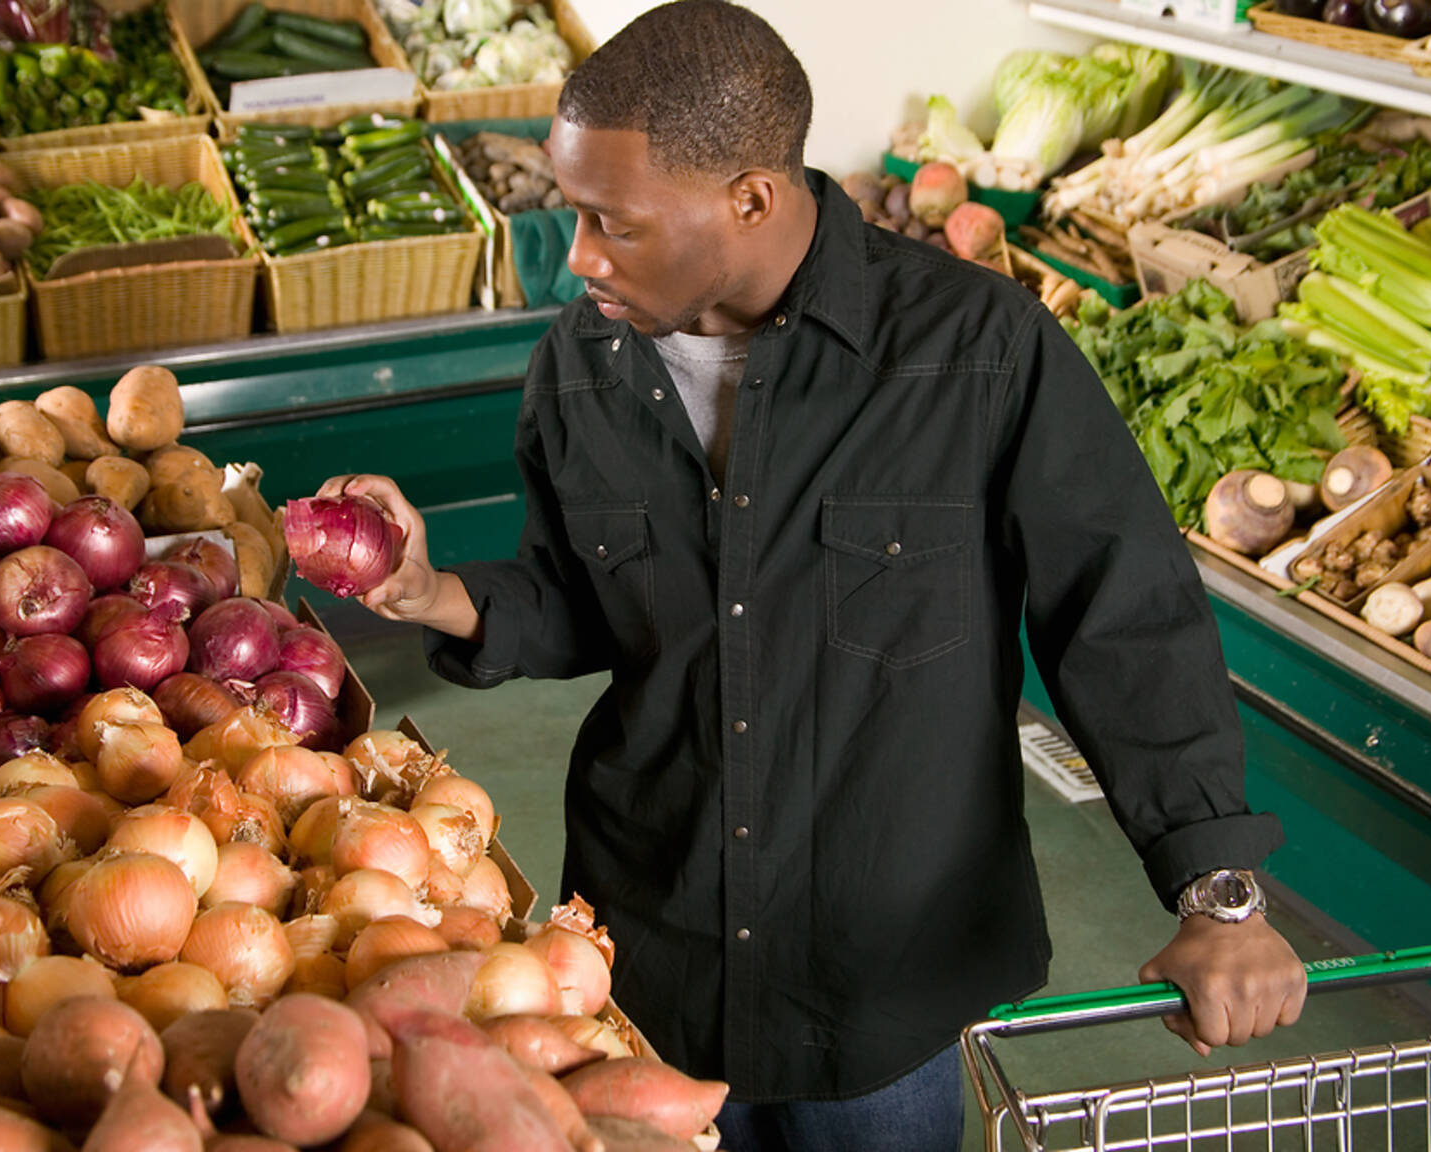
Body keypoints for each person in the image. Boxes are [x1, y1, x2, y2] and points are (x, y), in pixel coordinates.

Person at [322, 2, 1308, 1147]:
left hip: (878, 982)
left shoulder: (973, 350)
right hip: (648, 961)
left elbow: (1126, 615)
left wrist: (1217, 892)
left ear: (751, 196)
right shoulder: (583, 362)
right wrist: (433, 590)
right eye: (572, 214)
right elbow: (586, 601)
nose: (579, 256)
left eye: (612, 223)